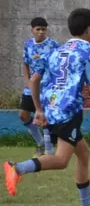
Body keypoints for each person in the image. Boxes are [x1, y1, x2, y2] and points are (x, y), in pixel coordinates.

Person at [4, 8, 90, 206]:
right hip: (68, 111)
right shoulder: (87, 50)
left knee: (84, 154)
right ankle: (17, 168)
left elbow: (34, 80)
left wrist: (39, 109)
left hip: (51, 109)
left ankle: (87, 204)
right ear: (89, 29)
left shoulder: (56, 50)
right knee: (61, 160)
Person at [19, 17, 59, 156]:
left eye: (44, 29)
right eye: (38, 29)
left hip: (47, 86)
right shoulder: (28, 44)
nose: (41, 32)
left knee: (45, 117)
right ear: (32, 30)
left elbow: (58, 65)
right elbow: (25, 64)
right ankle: (40, 142)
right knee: (23, 115)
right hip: (32, 86)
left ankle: (49, 150)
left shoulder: (53, 44)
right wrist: (28, 82)